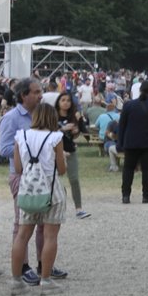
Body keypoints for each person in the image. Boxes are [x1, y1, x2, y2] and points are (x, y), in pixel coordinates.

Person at [10, 102, 68, 289]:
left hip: (28, 190)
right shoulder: (56, 137)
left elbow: (18, 168)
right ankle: (46, 279)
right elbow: (61, 169)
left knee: (22, 235)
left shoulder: (21, 136)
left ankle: (16, 280)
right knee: (50, 236)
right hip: (51, 191)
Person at [117, 81, 148, 205]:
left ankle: (126, 196)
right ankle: (146, 196)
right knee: (147, 169)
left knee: (128, 169)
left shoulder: (128, 105)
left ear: (139, 90)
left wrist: (120, 142)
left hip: (131, 141)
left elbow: (122, 125)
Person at [54, 90, 90, 219]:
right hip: (55, 152)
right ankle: (55, 205)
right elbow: (48, 132)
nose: (66, 103)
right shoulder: (52, 116)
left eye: (68, 100)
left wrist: (76, 129)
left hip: (70, 151)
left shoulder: (74, 116)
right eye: (63, 100)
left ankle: (79, 208)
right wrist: (62, 129)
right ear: (58, 102)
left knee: (74, 180)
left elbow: (78, 134)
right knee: (54, 180)